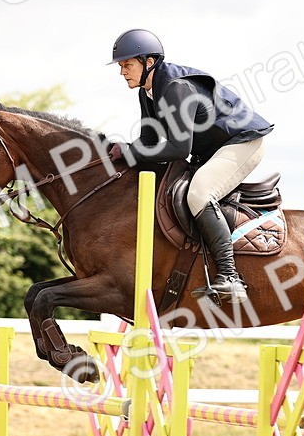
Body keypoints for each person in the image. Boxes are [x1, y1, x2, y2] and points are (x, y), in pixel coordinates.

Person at [107, 29, 273, 304]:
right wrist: (118, 154)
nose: (122, 72)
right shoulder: (147, 93)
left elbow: (178, 148)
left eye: (127, 65)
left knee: (199, 193)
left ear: (149, 62)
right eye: (121, 66)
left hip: (242, 144)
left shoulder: (175, 87)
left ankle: (230, 278)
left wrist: (129, 151)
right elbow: (148, 141)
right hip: (212, 150)